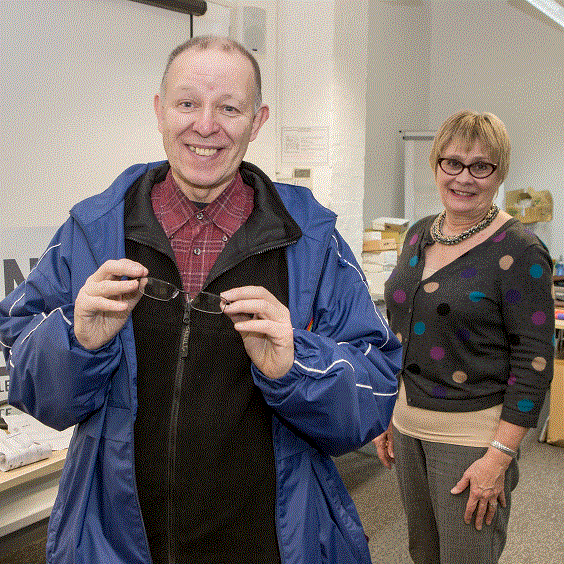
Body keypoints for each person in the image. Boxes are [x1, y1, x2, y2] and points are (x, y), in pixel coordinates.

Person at [0, 36, 402, 564]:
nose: (206, 126)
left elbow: (371, 394)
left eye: (229, 108)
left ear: (256, 122)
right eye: (187, 104)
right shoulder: (92, 231)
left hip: (269, 542)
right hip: (115, 542)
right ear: (160, 110)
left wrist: (297, 365)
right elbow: (34, 387)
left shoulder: (312, 241)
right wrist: (76, 344)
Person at [374, 110, 554, 564]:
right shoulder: (418, 234)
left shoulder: (520, 249)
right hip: (407, 425)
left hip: (474, 438)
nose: (464, 177)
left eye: (481, 166)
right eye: (452, 163)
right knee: (425, 555)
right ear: (436, 165)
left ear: (499, 173)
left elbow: (534, 361)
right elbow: (402, 333)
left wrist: (498, 456)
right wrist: (387, 412)